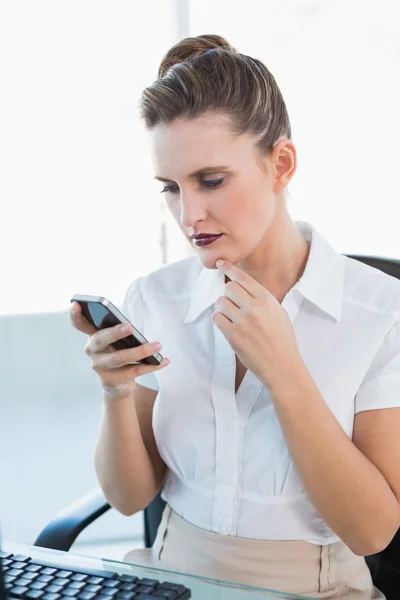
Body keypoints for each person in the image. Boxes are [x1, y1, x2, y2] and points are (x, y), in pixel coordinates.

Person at [70, 34, 400, 599]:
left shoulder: (380, 314)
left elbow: (371, 532)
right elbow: (129, 498)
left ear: (281, 164)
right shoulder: (158, 297)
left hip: (315, 588)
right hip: (168, 577)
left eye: (212, 180)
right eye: (171, 188)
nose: (189, 214)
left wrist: (286, 374)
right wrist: (116, 393)